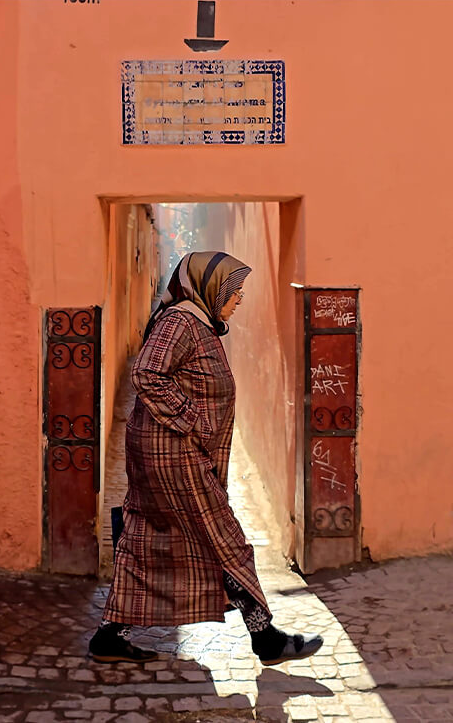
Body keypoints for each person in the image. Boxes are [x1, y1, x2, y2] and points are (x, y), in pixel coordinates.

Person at [89, 251, 323, 666]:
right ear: (209, 288)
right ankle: (264, 637)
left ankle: (111, 636)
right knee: (225, 538)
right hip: (175, 454)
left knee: (146, 541)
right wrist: (191, 420)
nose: (239, 298)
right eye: (233, 290)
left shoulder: (199, 324)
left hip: (169, 452)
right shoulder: (181, 321)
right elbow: (146, 372)